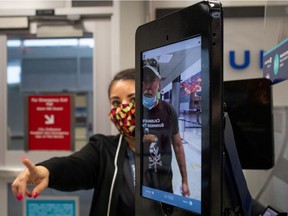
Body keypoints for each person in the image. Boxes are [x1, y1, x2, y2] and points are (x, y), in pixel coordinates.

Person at [11, 68, 137, 216]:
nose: (124, 107)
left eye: (133, 99)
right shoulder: (104, 149)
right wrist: (46, 171)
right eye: (115, 102)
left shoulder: (167, 150)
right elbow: (75, 165)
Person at [141, 59, 190, 197]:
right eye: (143, 80)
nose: (147, 86)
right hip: (140, 183)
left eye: (152, 81)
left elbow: (178, 146)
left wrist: (185, 180)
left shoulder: (169, 111)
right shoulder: (133, 112)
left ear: (159, 85)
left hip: (165, 182)